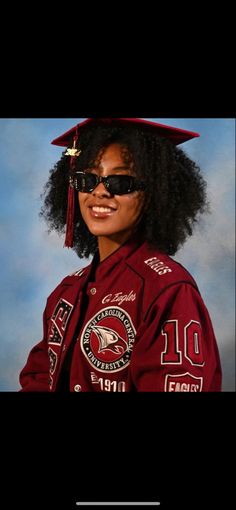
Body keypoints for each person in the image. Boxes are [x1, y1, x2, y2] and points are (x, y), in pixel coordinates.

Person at [19, 118, 222, 392]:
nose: (99, 192)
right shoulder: (65, 293)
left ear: (153, 193)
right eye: (87, 179)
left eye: (120, 182)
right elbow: (39, 380)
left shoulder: (167, 290)